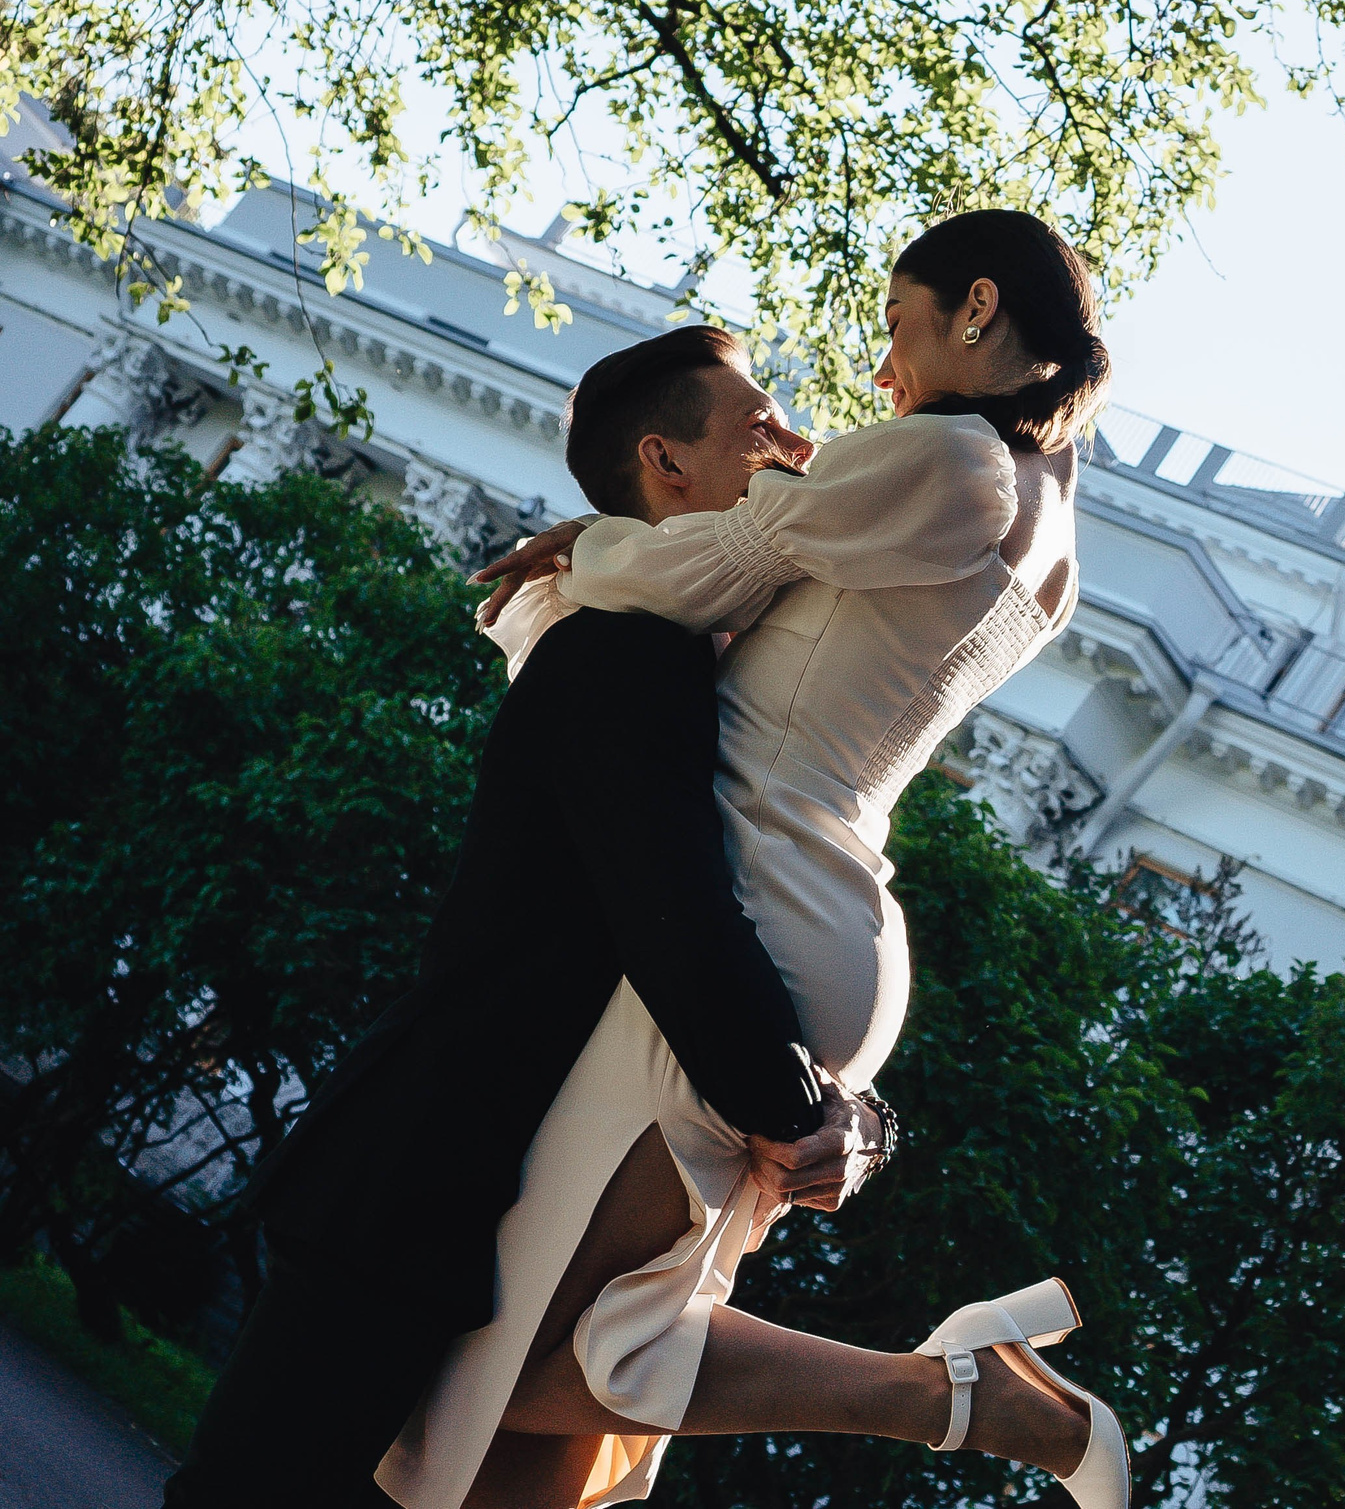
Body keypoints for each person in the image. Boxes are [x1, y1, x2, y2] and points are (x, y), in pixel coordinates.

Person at [399, 209, 1125, 1509]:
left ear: (976, 307)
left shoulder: (954, 455)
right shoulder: (1057, 522)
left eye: (899, 328)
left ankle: (952, 1394)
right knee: (552, 1400)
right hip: (822, 901)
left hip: (750, 901)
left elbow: (728, 556)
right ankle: (955, 1393)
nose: (884, 375)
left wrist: (586, 543)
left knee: (530, 1352)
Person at [161, 447, 868, 1507]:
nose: (795, 457)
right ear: (668, 462)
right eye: (759, 426)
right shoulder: (627, 658)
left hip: (478, 1197)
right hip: (416, 1186)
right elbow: (675, 927)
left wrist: (848, 1122)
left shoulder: (675, 665)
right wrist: (800, 1111)